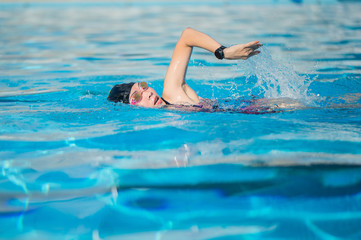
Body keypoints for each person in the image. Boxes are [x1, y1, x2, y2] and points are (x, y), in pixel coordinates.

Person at [107, 27, 262, 109]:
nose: (147, 93)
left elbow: (187, 36)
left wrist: (223, 52)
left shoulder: (173, 94)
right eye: (136, 97)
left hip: (259, 108)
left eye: (143, 87)